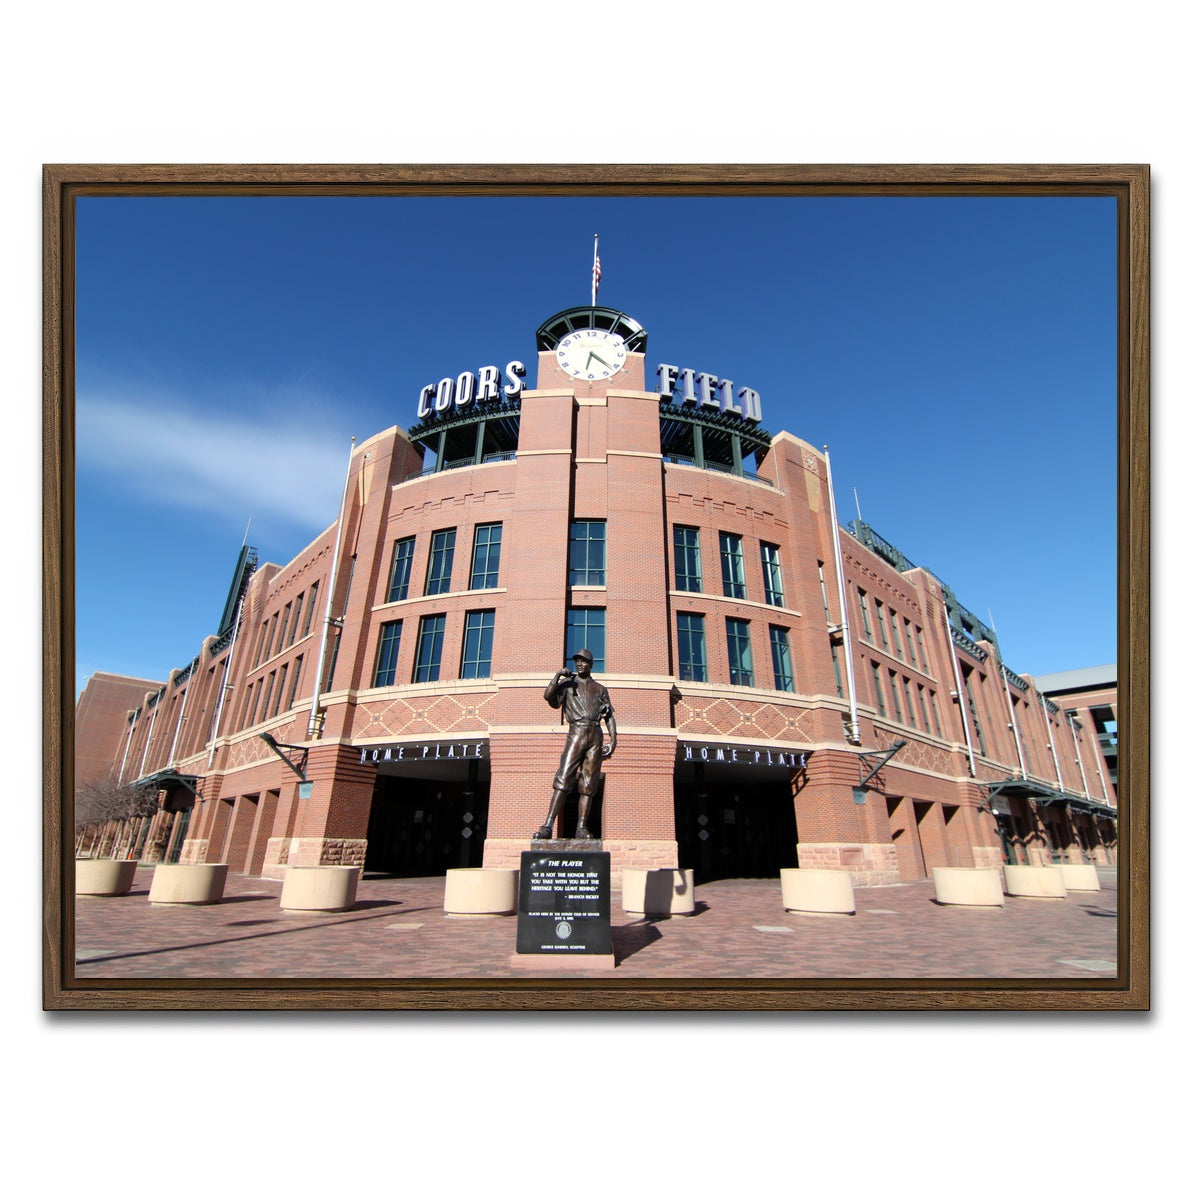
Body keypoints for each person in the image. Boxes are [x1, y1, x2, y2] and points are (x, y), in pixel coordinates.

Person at [534, 649, 616, 840]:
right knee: (563, 779)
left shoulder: (600, 689)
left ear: (591, 664)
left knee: (588, 784)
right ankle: (547, 825)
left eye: (584, 661)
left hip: (595, 735)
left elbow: (609, 716)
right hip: (576, 732)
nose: (579, 664)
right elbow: (548, 697)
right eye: (577, 661)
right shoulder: (567, 684)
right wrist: (557, 677)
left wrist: (614, 739)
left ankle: (581, 827)